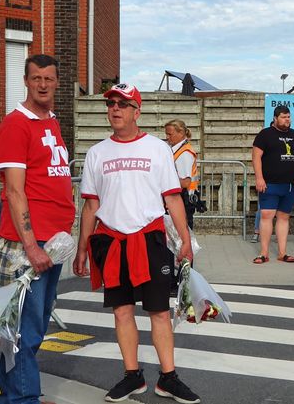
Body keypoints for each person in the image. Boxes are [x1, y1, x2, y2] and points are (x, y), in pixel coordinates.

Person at [73, 83, 200, 403]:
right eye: (111, 103)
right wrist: (81, 249)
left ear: (136, 111)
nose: (115, 108)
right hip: (112, 241)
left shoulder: (157, 149)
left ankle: (168, 378)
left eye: (123, 104)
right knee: (122, 311)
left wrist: (185, 240)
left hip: (150, 239)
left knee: (159, 311)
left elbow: (172, 198)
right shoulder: (97, 153)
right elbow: (90, 206)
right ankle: (133, 376)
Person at [0, 54, 76, 404]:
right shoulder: (16, 124)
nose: (42, 84)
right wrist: (31, 245)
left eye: (49, 79)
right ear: (26, 81)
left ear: (57, 83)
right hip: (29, 243)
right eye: (36, 78)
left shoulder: (52, 122)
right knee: (23, 330)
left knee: (31, 327)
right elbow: (13, 190)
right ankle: (22, 399)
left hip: (51, 242)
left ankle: (14, 397)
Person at [252, 105, 294, 263]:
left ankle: (282, 253)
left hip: (290, 185)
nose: (287, 120)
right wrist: (259, 178)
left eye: (288, 117)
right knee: (266, 215)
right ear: (275, 118)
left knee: (284, 217)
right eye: (283, 117)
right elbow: (256, 156)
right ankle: (263, 253)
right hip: (269, 183)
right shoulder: (265, 134)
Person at [164, 119, 200, 231]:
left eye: (170, 134)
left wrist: (163, 181)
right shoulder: (178, 150)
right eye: (166, 134)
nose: (167, 137)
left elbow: (185, 182)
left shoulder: (184, 154)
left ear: (180, 133)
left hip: (183, 199)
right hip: (182, 199)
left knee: (181, 238)